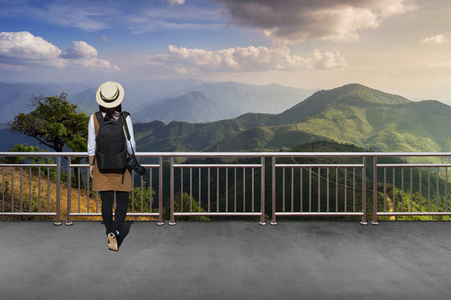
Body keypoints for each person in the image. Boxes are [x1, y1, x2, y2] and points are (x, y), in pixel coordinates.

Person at [87, 81, 136, 252]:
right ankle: (116, 231)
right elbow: (131, 146)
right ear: (118, 100)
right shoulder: (125, 117)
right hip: (122, 166)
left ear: (101, 100)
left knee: (106, 202)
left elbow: (91, 146)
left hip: (102, 164)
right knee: (122, 202)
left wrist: (91, 165)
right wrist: (130, 158)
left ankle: (109, 231)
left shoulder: (94, 118)